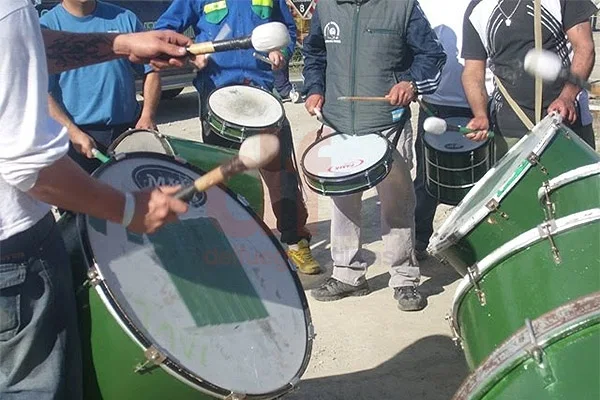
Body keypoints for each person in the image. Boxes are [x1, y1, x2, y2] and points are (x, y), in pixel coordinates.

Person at [0, 1, 191, 396]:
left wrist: (118, 44)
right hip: (12, 253)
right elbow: (29, 166)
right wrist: (129, 208)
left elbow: (24, 49)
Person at [154, 0, 321, 275]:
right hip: (219, 98)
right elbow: (165, 32)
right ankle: (234, 247)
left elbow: (287, 31)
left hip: (262, 94)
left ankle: (295, 241)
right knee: (225, 181)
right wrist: (190, 54)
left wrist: (281, 50)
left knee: (283, 175)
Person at [302, 0, 447, 311]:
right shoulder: (327, 6)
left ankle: (405, 278)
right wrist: (314, 88)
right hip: (338, 122)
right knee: (343, 202)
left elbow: (432, 55)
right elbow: (314, 54)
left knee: (397, 204)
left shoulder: (402, 6)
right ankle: (348, 274)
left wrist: (411, 84)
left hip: (387, 124)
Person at [462, 0, 598, 156]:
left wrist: (567, 97)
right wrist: (480, 114)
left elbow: (584, 48)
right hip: (509, 130)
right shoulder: (477, 8)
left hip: (566, 125)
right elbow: (473, 72)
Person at [41, 0, 162, 174]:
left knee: (133, 195)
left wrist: (147, 115)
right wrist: (72, 132)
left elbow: (151, 70)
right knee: (85, 201)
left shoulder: (124, 19)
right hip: (78, 141)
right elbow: (40, 92)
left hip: (127, 132)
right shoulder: (47, 28)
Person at [412, 0, 476, 260]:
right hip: (434, 104)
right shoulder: (420, 3)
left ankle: (473, 245)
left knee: (477, 180)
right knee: (428, 180)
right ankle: (418, 240)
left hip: (479, 104)